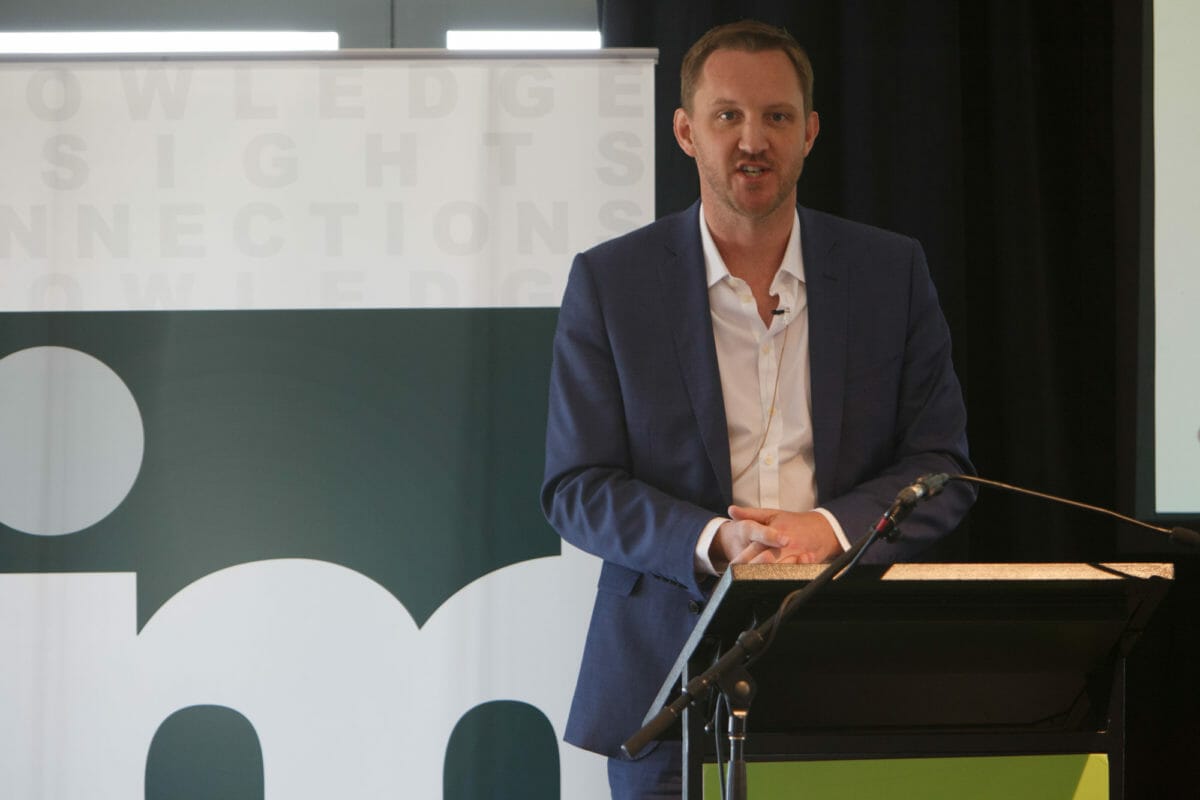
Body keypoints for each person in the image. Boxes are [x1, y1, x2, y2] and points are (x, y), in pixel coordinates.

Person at [541, 19, 975, 799]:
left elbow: (942, 465)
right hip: (665, 691)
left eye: (777, 116)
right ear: (686, 132)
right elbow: (577, 486)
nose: (753, 140)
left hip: (852, 676)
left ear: (809, 132)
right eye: (727, 116)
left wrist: (831, 529)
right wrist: (714, 540)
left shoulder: (890, 273)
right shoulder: (611, 284)